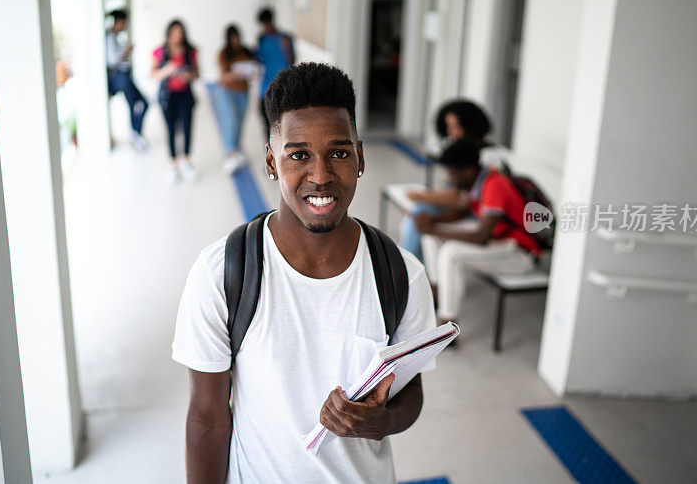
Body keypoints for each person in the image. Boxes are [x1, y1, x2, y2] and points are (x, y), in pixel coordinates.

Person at [172, 62, 436, 483]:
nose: (321, 175)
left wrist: (377, 422)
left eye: (339, 152)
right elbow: (207, 419)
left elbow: (411, 395)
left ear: (360, 157)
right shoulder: (222, 274)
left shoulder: (401, 274)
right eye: (299, 155)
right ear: (271, 161)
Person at [416, 138, 541, 324]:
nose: (449, 178)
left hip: (519, 254)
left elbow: (481, 236)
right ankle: (437, 292)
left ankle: (447, 324)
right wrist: (432, 222)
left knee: (450, 252)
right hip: (498, 239)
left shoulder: (494, 185)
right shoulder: (477, 180)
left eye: (451, 173)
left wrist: (434, 228)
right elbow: (463, 211)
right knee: (430, 236)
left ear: (467, 171)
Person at [399, 100, 492, 259]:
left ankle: (409, 271)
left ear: (470, 125)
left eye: (455, 126)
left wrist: (423, 197)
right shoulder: (461, 150)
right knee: (417, 214)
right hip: (465, 209)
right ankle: (413, 270)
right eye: (448, 127)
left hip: (476, 215)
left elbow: (460, 199)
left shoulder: (487, 156)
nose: (450, 132)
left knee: (418, 213)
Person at [151, 20, 199, 184]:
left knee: (187, 127)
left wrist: (188, 75)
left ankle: (186, 161)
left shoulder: (190, 51)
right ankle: (173, 164)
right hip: (167, 96)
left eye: (180, 33)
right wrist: (167, 70)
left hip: (185, 95)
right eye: (174, 33)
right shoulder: (160, 52)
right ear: (169, 34)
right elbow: (153, 74)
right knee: (170, 129)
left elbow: (197, 73)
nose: (178, 36)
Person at [208, 25, 253, 174]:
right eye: (232, 37)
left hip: (243, 92)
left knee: (240, 121)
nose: (235, 40)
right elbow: (223, 76)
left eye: (237, 37)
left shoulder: (246, 51)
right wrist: (238, 73)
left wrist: (250, 73)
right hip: (227, 91)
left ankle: (237, 149)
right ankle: (230, 153)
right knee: (231, 120)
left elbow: (253, 71)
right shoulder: (224, 54)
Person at [106, 9, 149, 152]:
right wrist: (125, 50)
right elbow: (112, 60)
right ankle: (135, 135)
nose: (124, 25)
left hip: (125, 75)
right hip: (121, 77)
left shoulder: (116, 37)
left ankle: (136, 134)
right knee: (139, 103)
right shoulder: (110, 37)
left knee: (137, 104)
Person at [255, 7, 295, 141]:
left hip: (281, 89)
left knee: (282, 126)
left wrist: (287, 49)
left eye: (265, 24)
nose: (264, 27)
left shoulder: (284, 39)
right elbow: (258, 59)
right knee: (266, 127)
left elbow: (291, 62)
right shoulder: (261, 39)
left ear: (271, 22)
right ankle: (270, 159)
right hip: (264, 89)